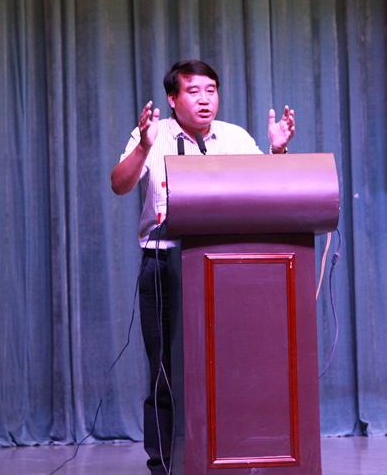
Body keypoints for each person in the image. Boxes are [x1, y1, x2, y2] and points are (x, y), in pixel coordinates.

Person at [111, 59, 295, 475]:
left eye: (211, 90)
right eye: (193, 91)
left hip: (225, 268)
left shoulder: (234, 137)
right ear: (173, 99)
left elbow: (274, 190)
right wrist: (142, 147)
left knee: (228, 369)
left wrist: (278, 152)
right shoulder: (152, 136)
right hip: (164, 266)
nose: (205, 99)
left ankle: (228, 457)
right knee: (165, 371)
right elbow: (119, 184)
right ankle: (163, 465)